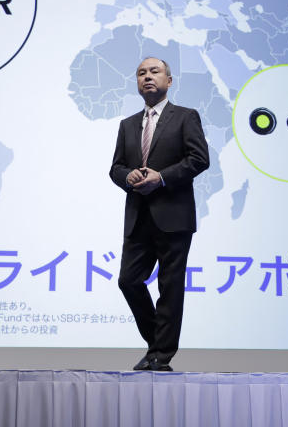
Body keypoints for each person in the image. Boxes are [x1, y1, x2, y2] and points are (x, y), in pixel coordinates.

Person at [110, 57, 210, 372]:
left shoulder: (185, 117)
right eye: (141, 73)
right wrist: (128, 178)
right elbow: (115, 167)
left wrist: (161, 177)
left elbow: (199, 159)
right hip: (138, 215)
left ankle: (160, 355)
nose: (147, 77)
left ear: (169, 80)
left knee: (170, 286)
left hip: (174, 215)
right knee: (128, 281)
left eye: (155, 72)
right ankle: (158, 343)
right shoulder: (127, 124)